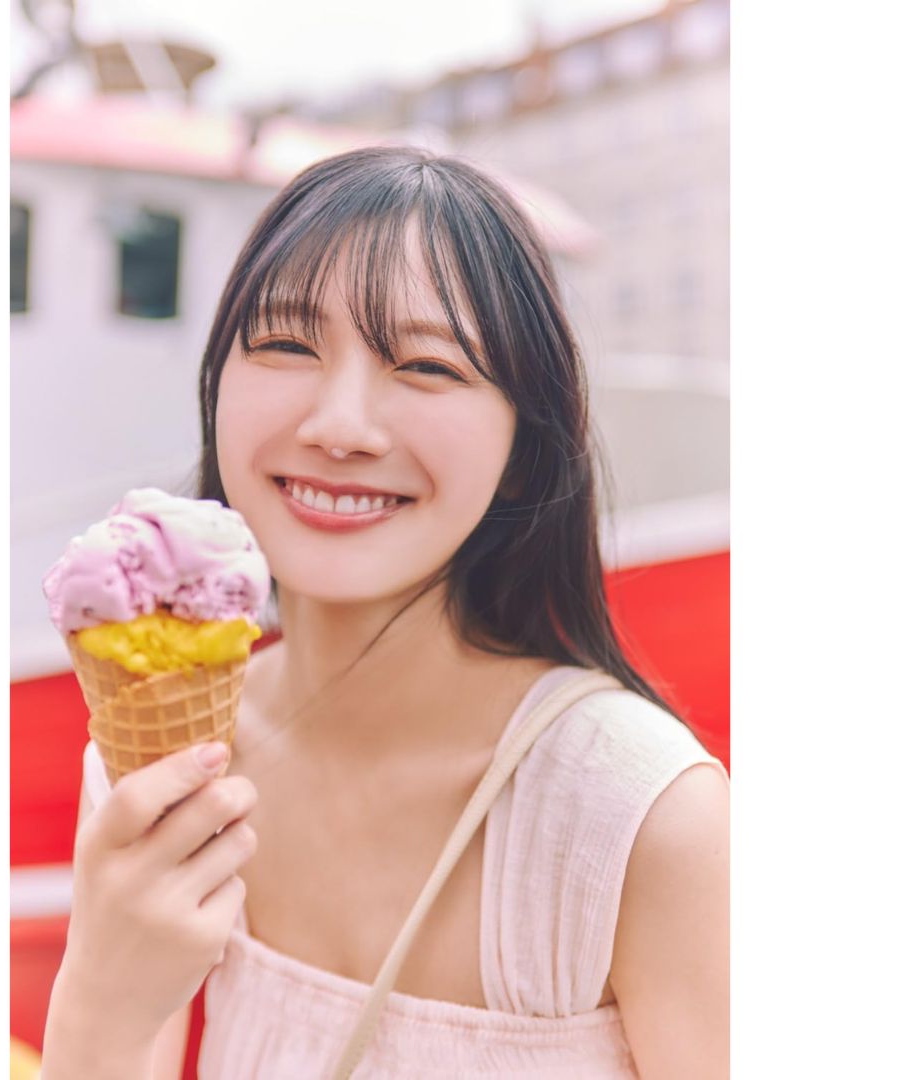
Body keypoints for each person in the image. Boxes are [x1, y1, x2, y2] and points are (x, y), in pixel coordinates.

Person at [41, 146, 729, 1079]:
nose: (340, 426)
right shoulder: (162, 772)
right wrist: (104, 1004)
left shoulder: (647, 821)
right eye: (287, 346)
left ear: (524, 447)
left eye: (427, 365)